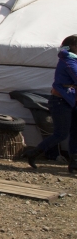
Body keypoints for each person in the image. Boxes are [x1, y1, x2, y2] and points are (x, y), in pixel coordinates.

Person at [24, 35, 77, 172]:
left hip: (71, 100)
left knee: (76, 132)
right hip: (60, 101)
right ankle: (33, 153)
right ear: (73, 46)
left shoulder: (73, 60)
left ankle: (74, 164)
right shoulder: (68, 60)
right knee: (61, 134)